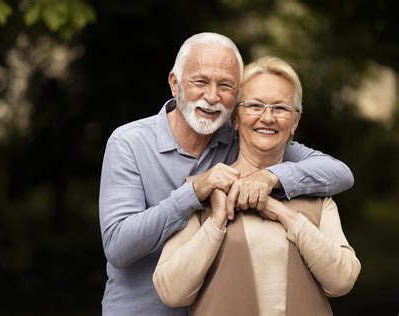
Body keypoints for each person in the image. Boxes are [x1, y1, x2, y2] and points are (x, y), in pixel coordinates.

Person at [99, 33, 354, 315]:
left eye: (226, 86)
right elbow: (119, 247)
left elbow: (339, 173)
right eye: (200, 82)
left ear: (235, 102)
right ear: (175, 84)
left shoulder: (243, 135)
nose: (212, 96)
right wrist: (194, 193)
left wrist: (270, 178)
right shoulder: (129, 143)